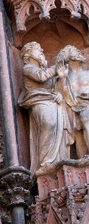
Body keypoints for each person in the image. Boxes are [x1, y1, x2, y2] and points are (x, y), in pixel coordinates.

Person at [19, 42, 71, 173]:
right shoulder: (28, 68)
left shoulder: (46, 71)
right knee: (48, 124)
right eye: (38, 50)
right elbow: (41, 77)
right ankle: (45, 162)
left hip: (52, 101)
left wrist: (62, 80)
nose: (41, 51)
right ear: (28, 54)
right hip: (39, 101)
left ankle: (58, 160)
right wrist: (58, 65)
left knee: (58, 129)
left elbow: (55, 86)